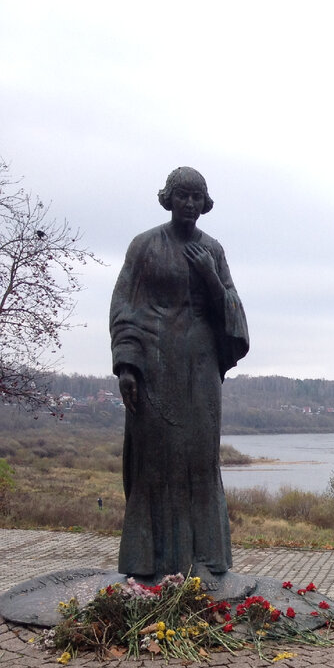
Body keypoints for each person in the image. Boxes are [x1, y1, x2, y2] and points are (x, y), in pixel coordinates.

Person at [110, 167, 249, 582]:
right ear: (168, 198)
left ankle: (207, 558)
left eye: (196, 197)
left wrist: (209, 275)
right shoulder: (145, 246)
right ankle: (146, 562)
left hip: (201, 369)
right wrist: (127, 365)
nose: (189, 204)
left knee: (200, 462)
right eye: (182, 196)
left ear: (205, 203)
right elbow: (124, 307)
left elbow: (235, 313)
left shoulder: (213, 250)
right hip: (154, 368)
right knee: (154, 462)